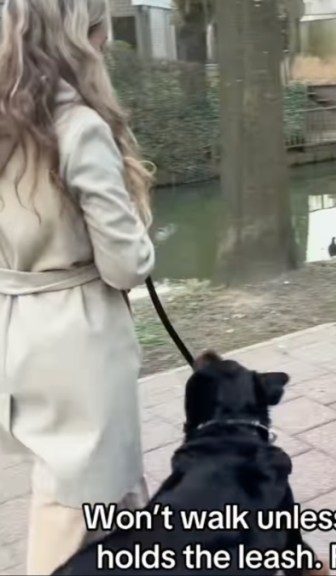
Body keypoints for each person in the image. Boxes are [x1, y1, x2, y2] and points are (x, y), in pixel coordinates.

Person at [0, 0, 156, 572]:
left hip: (15, 328)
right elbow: (125, 265)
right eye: (99, 28)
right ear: (76, 37)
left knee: (103, 495)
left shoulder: (9, 122)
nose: (107, 41)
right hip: (78, 340)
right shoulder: (77, 127)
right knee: (71, 507)